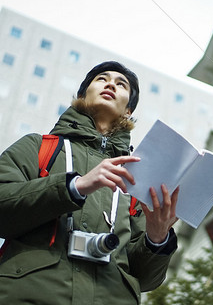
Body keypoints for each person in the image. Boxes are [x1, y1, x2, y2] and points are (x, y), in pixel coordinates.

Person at [0, 61, 179, 304]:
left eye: (121, 84)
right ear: (83, 95)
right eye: (101, 79)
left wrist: (156, 239)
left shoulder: (137, 178)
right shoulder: (39, 147)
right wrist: (75, 187)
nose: (111, 84)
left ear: (128, 110)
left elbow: (145, 279)